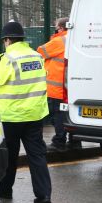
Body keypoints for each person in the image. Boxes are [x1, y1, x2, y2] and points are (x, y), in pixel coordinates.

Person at [0, 20, 53, 203]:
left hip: (11, 117)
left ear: (7, 40)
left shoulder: (8, 59)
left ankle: (5, 190)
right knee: (37, 155)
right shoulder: (36, 56)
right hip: (35, 114)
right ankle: (44, 195)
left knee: (10, 156)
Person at [37, 17, 69, 150]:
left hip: (56, 87)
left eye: (56, 26)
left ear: (61, 28)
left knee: (57, 114)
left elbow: (40, 52)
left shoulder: (59, 40)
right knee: (67, 113)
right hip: (68, 85)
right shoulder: (74, 38)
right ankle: (74, 140)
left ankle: (59, 141)